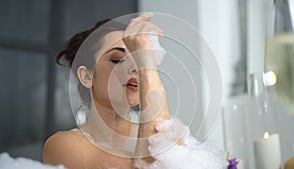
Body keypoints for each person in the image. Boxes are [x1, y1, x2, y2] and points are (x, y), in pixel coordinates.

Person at [42, 13, 226, 169]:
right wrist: (147, 65)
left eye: (137, 58)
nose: (134, 68)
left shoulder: (166, 131)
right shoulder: (62, 145)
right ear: (87, 77)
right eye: (117, 59)